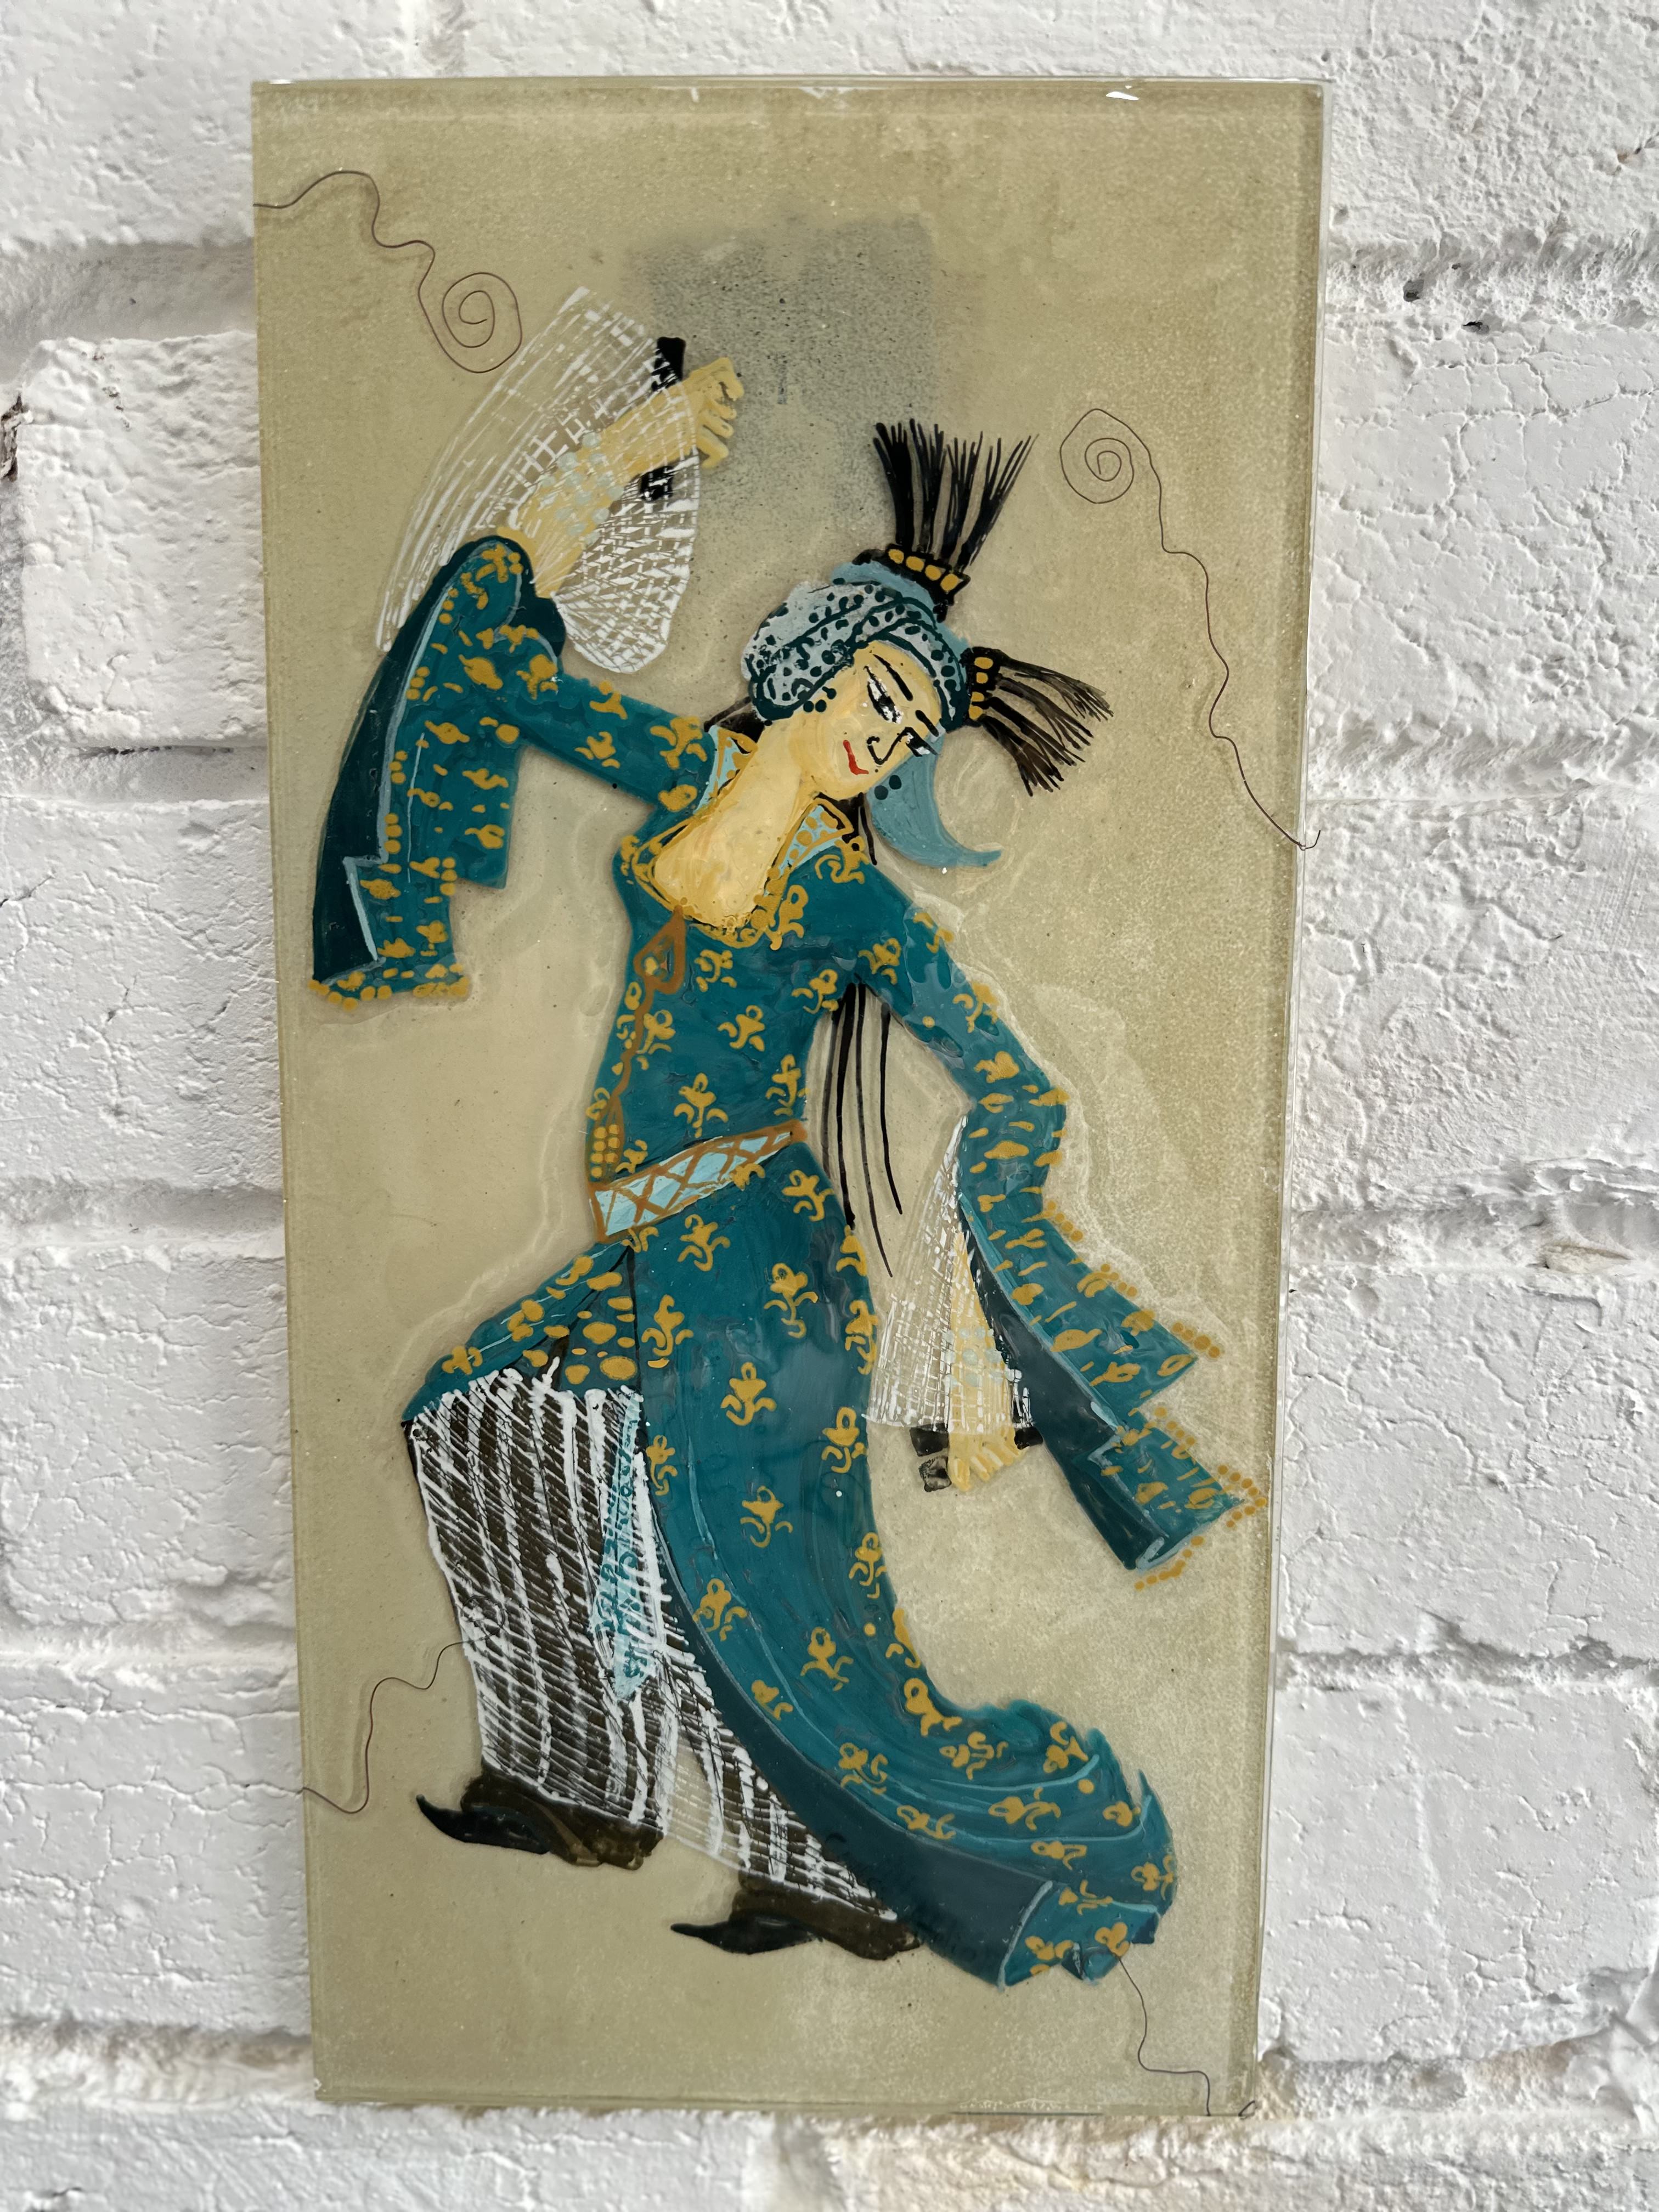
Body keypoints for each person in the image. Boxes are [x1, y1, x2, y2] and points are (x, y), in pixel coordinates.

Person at [311, 360, 1248, 1989]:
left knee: (769, 1590)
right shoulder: (684, 774)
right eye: (877, 693)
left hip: (757, 1257)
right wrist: (628, 452)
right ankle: (588, 1782)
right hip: (658, 1247)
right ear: (811, 665)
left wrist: (988, 1241)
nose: (885, 734)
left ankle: (815, 1876)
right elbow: (493, 662)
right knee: (485, 1425)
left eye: (909, 732)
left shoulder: (857, 903)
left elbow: (1014, 1081)